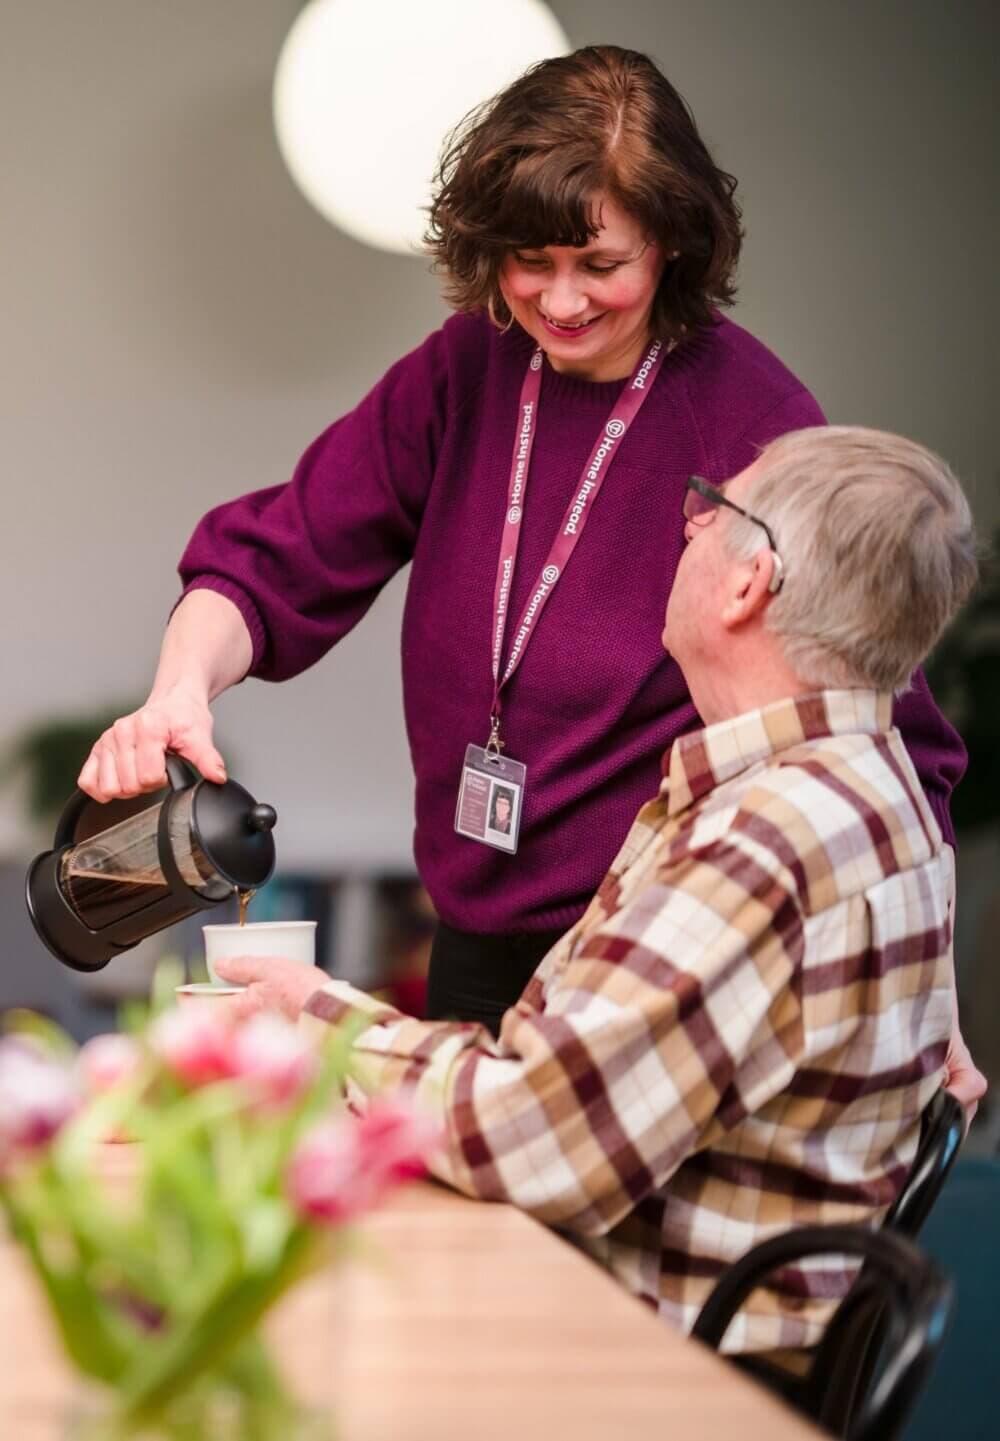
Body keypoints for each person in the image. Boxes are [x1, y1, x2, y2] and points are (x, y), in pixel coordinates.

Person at [78, 46, 970, 1050]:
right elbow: (275, 555)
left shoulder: (752, 421)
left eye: (601, 265)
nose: (560, 302)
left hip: (655, 955)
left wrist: (926, 1012)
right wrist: (180, 690)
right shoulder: (472, 365)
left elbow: (891, 735)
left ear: (671, 245)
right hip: (473, 932)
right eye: (530, 261)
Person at [214, 424, 978, 1354]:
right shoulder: (877, 782)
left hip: (643, 1366)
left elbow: (535, 1137)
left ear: (749, 582)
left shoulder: (769, 838)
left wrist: (319, 1019)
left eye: (713, 508)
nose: (688, 527)